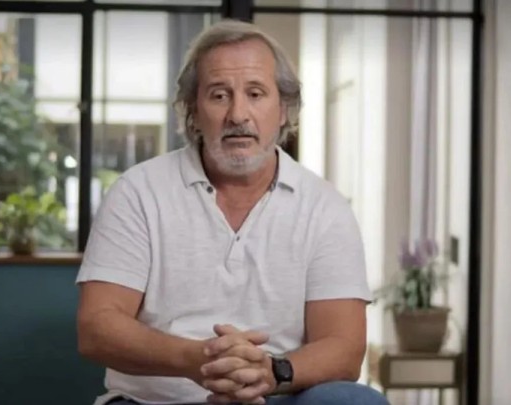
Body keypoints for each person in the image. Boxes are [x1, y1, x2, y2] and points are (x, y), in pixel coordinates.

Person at [75, 19, 388, 405]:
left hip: (277, 394)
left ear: (284, 108)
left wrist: (271, 372)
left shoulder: (325, 207)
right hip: (155, 401)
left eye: (255, 94)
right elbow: (97, 328)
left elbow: (344, 348)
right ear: (193, 110)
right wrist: (199, 360)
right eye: (219, 95)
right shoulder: (138, 192)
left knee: (355, 401)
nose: (238, 114)